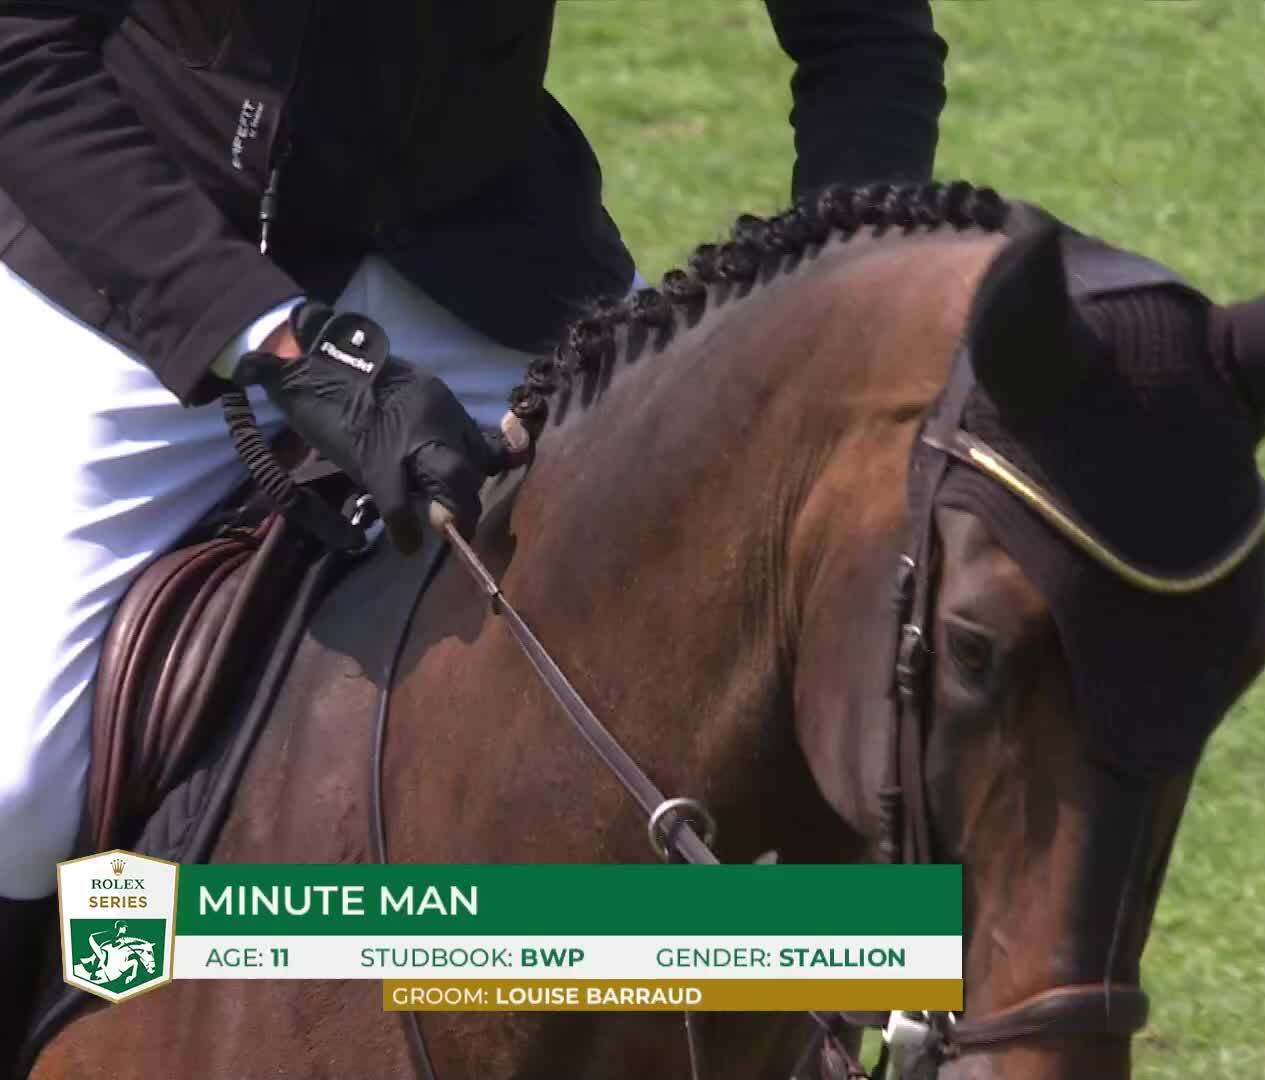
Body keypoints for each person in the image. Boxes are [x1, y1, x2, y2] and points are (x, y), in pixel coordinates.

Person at [0, 0, 947, 1047]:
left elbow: (866, 37)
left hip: (485, 269)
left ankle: (887, 1016)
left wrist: (824, 305)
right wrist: (269, 339)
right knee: (16, 786)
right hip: (141, 254)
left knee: (755, 624)